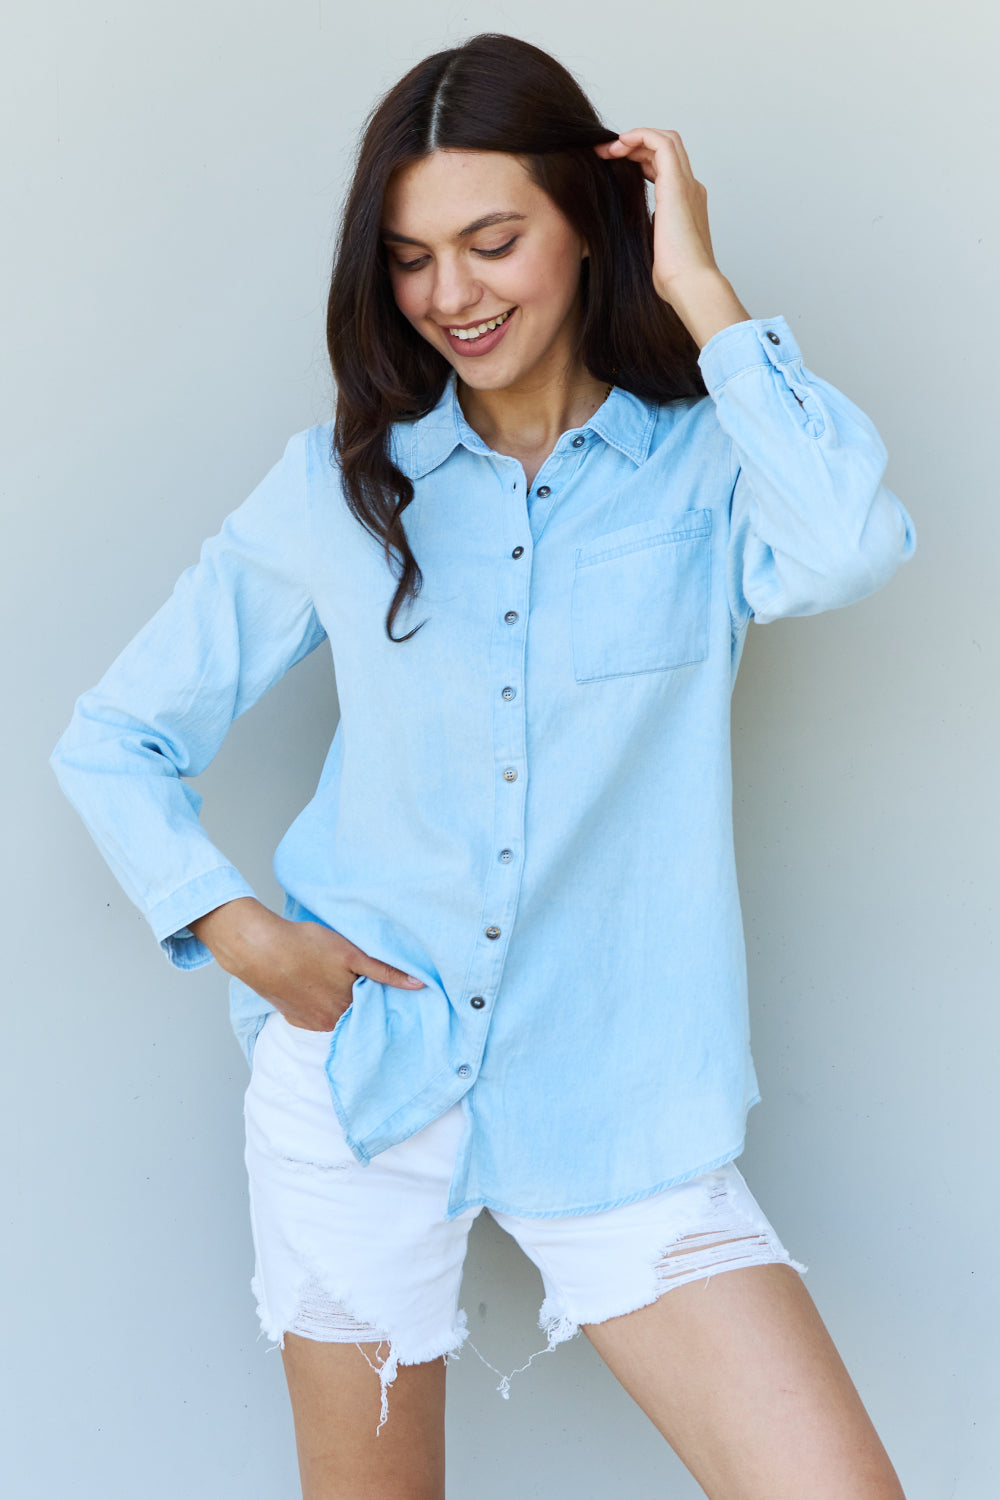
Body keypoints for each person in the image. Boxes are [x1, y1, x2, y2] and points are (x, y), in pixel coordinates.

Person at [51, 30, 916, 1500]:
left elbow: (848, 541)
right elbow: (113, 740)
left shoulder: (706, 470)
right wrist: (247, 937)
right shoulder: (339, 486)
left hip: (628, 1097)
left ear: (588, 222)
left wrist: (699, 284)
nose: (450, 295)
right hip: (360, 1088)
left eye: (492, 240)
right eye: (408, 258)